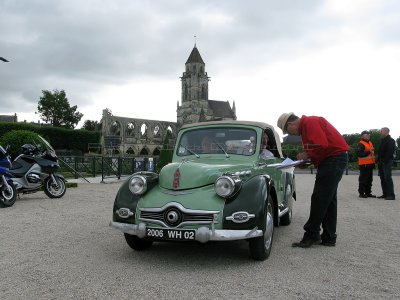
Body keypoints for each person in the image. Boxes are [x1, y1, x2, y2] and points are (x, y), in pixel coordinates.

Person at [277, 112, 349, 248]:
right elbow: (321, 148)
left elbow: (321, 145)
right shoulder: (308, 125)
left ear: (290, 124)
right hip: (334, 158)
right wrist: (306, 160)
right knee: (328, 200)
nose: (291, 134)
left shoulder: (310, 122)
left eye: (288, 131)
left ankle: (312, 235)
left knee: (320, 198)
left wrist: (306, 155)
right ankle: (329, 236)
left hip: (333, 159)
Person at [377, 127, 396, 200]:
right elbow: (380, 152)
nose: (380, 132)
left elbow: (390, 152)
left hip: (386, 162)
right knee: (382, 178)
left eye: (381, 131)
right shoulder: (383, 140)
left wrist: (384, 161)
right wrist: (378, 160)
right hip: (381, 162)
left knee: (387, 178)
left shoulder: (391, 141)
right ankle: (385, 194)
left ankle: (391, 195)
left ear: (386, 131)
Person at [357, 130, 376, 198]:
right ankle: (361, 193)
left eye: (368, 135)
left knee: (369, 180)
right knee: (363, 179)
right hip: (364, 164)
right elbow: (360, 154)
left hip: (370, 164)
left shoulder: (370, 142)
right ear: (362, 136)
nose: (368, 136)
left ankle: (368, 193)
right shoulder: (361, 143)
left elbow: (372, 154)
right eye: (366, 135)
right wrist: (369, 151)